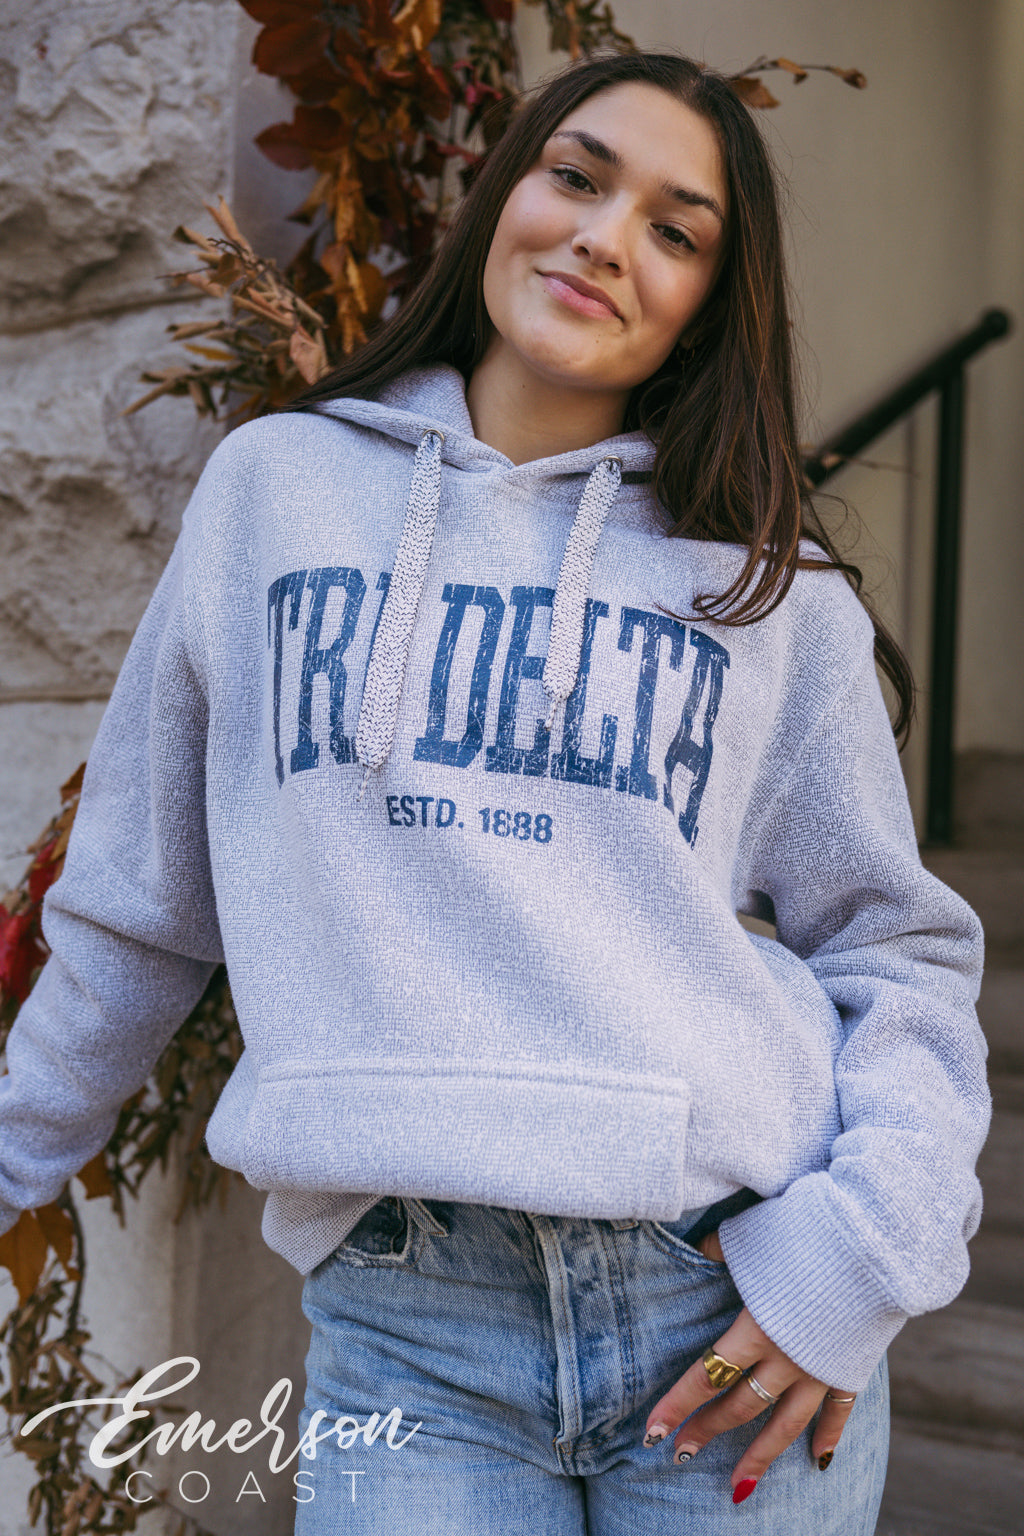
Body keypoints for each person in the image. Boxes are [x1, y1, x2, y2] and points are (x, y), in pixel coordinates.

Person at [0, 49, 989, 1536]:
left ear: (710, 301)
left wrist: (858, 1262)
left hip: (724, 1294)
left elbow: (894, 951)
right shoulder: (276, 492)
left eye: (676, 230)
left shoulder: (768, 594)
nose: (604, 238)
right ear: (504, 196)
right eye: (577, 177)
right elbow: (142, 905)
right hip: (409, 1316)